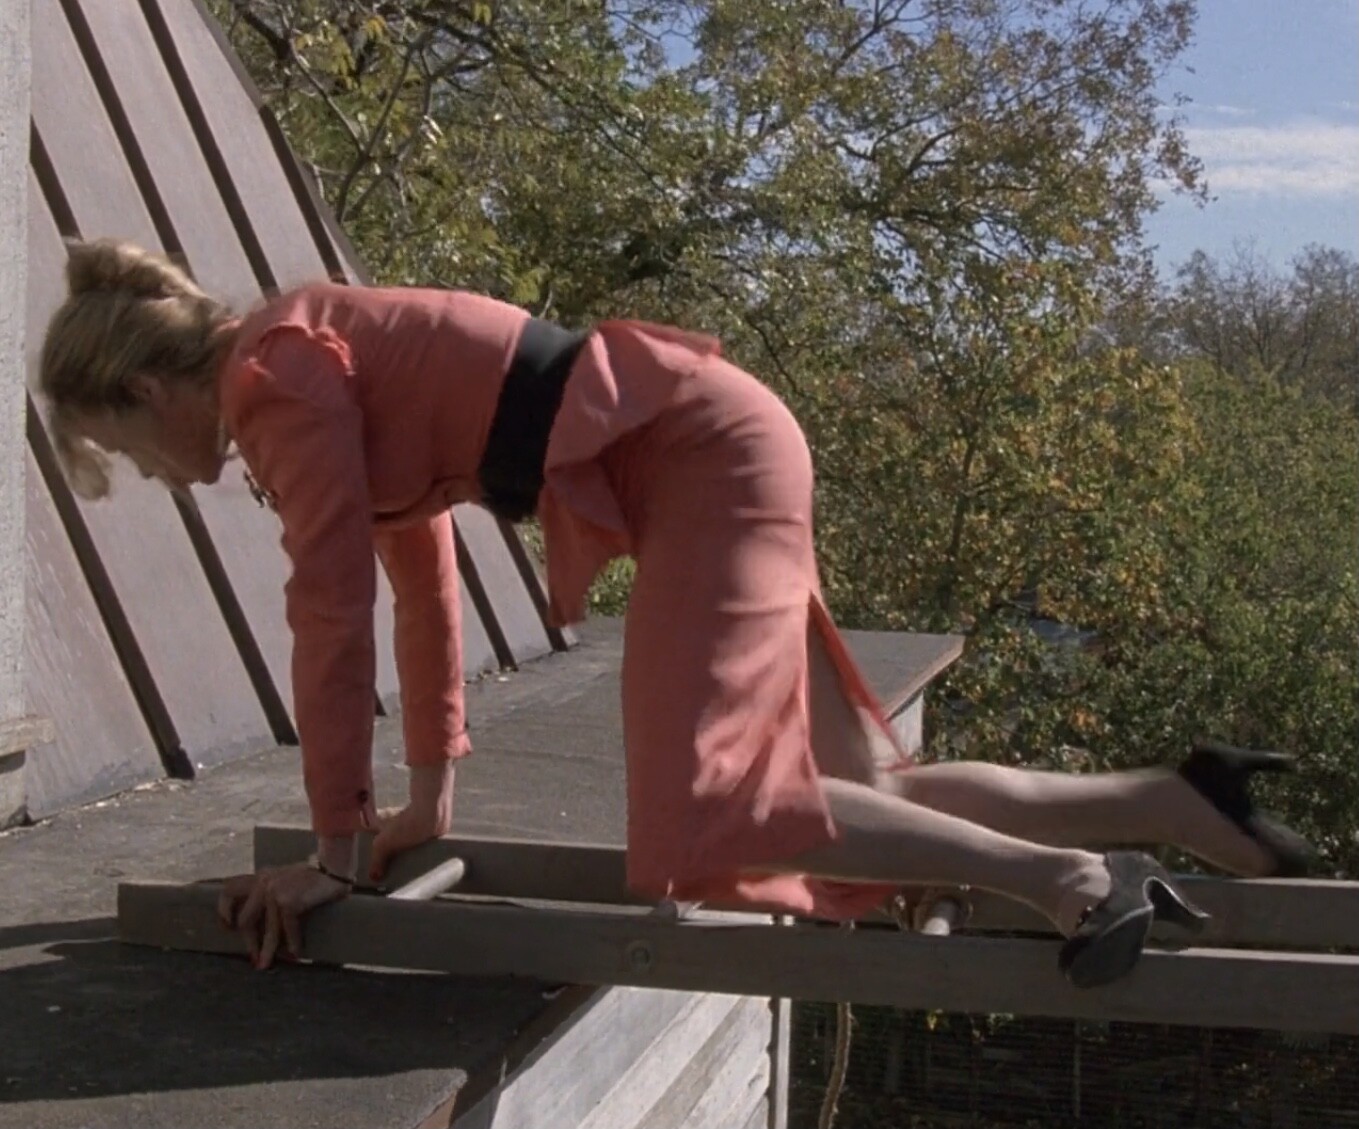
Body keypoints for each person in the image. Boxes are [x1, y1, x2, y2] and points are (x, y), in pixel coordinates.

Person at [38, 238, 1314, 990]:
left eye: (125, 450)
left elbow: (329, 615)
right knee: (857, 792)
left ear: (148, 389)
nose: (152, 475)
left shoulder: (272, 378)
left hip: (702, 461)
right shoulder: (303, 350)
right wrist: (425, 801)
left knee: (712, 815)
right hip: (720, 443)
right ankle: (1174, 801)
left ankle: (1070, 881)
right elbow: (417, 585)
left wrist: (330, 853)